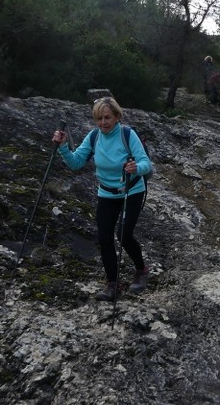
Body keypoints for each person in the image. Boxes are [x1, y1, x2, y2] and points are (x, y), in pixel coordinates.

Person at [52, 96, 152, 301]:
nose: (103, 123)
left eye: (107, 117)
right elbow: (76, 163)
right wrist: (63, 147)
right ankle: (113, 284)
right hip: (106, 193)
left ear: (116, 116)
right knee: (105, 238)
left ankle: (141, 271)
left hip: (131, 190)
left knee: (123, 234)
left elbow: (145, 163)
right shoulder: (93, 137)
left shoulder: (127, 134)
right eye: (99, 118)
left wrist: (136, 168)